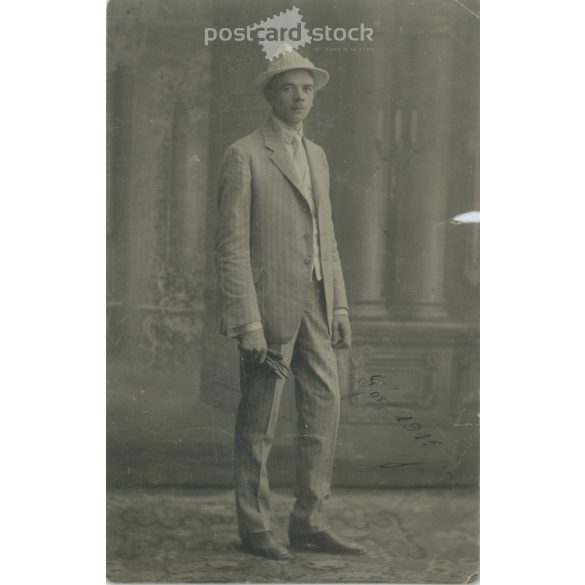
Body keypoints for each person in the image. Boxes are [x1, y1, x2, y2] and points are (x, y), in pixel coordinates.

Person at [214, 47, 366, 560]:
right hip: (269, 309)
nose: (300, 97)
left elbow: (327, 238)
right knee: (258, 424)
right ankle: (255, 527)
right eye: (288, 88)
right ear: (269, 94)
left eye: (307, 89)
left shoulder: (316, 154)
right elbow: (231, 246)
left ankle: (309, 521)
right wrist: (247, 322)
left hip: (319, 305)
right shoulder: (245, 154)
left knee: (323, 413)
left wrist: (340, 307)